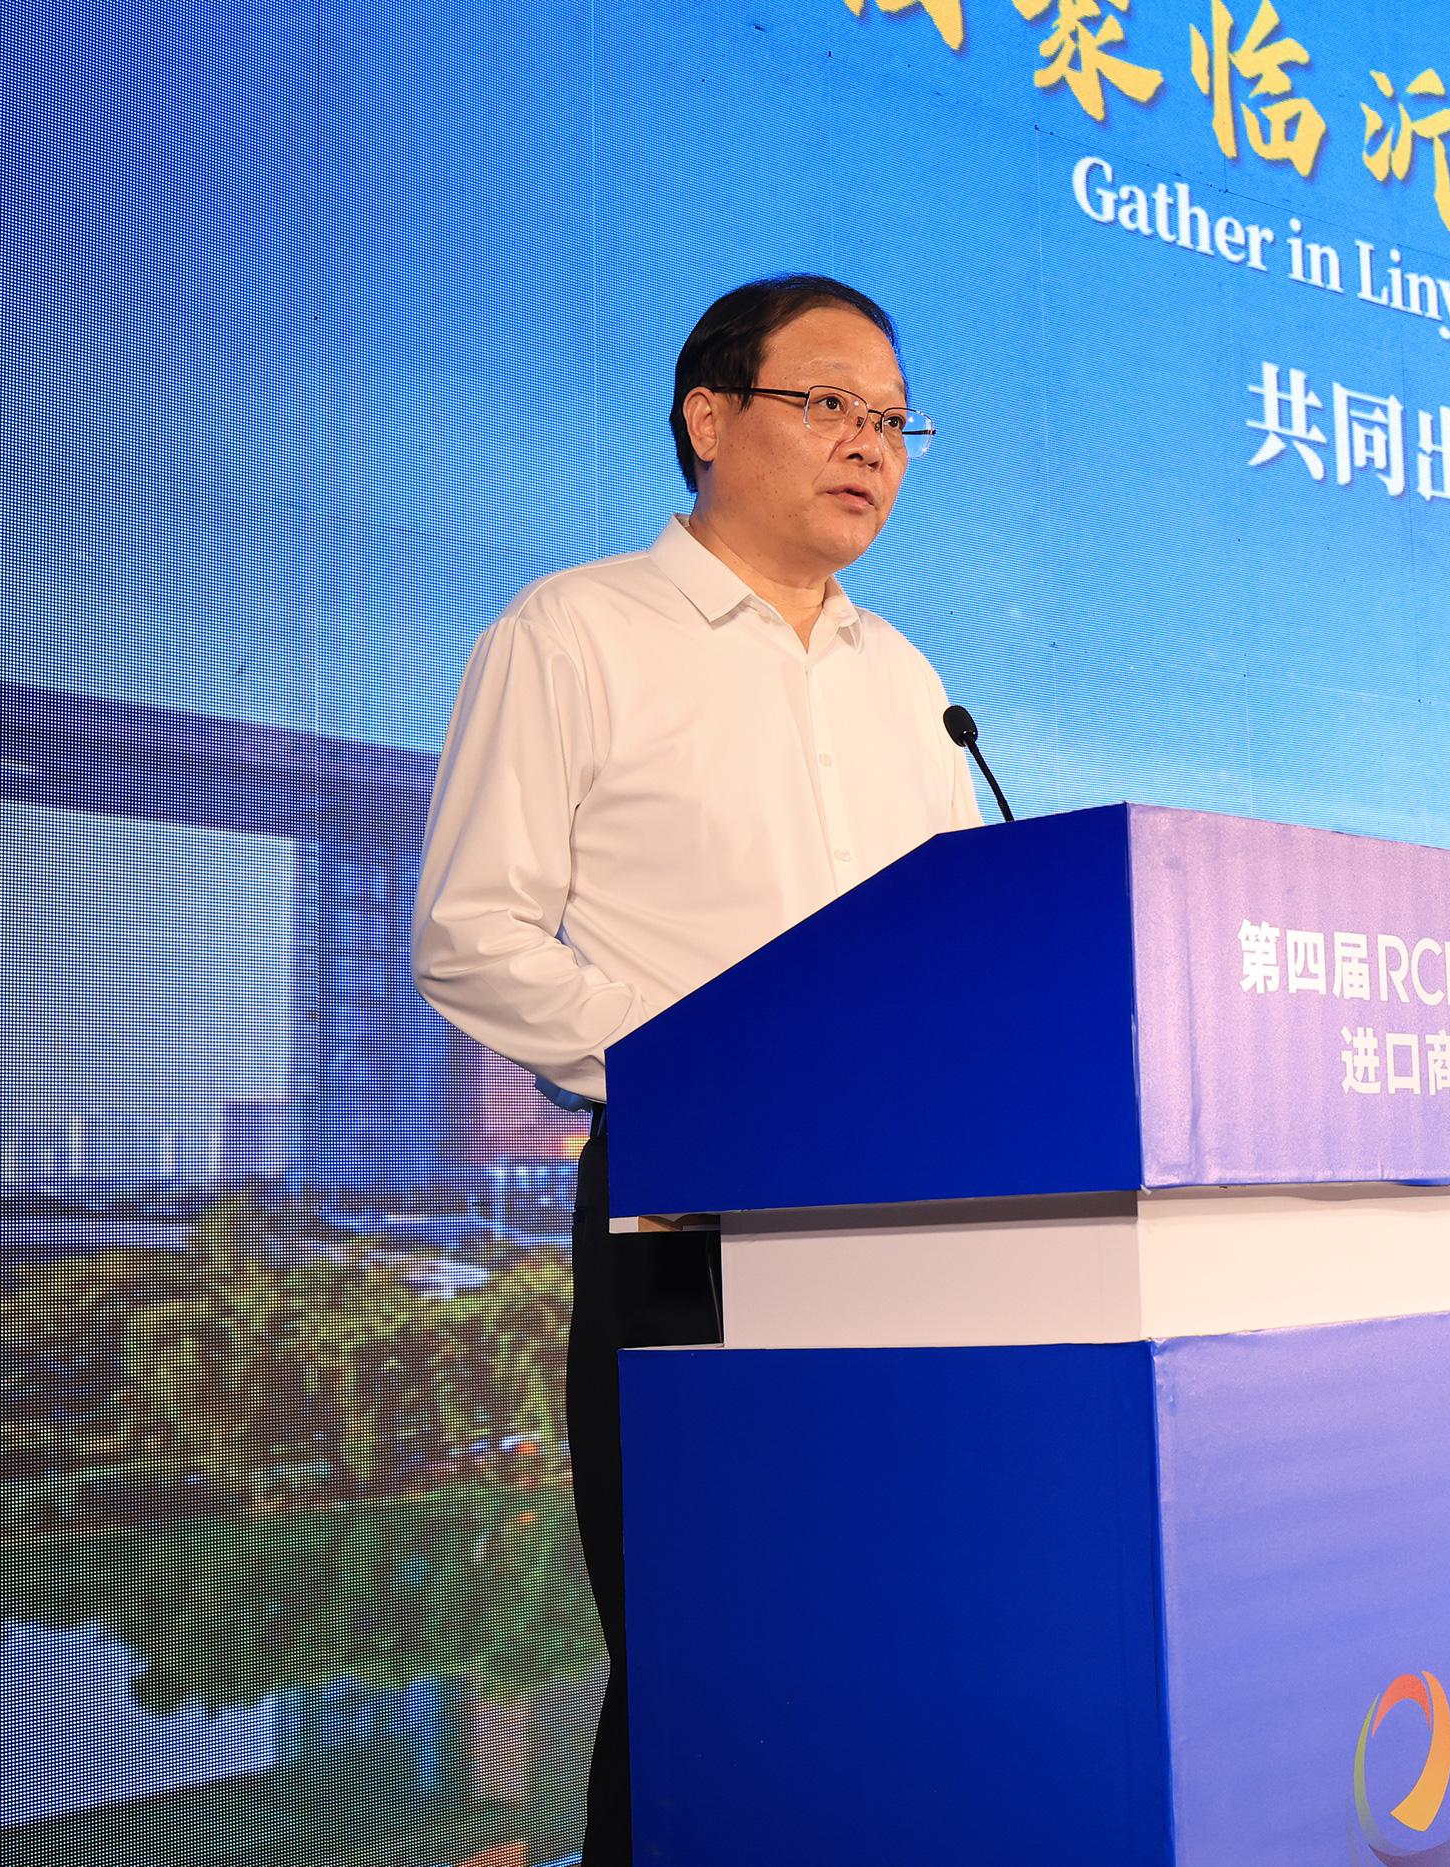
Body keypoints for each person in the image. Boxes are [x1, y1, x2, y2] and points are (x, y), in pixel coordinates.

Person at [410, 274, 981, 1864]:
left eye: (895, 422)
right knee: (705, 1649)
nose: (869, 446)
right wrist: (708, 1068)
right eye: (830, 405)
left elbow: (959, 953)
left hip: (917, 1223)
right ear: (710, 418)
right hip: (688, 1210)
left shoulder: (908, 682)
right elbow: (470, 934)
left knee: (895, 1628)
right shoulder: (573, 633)